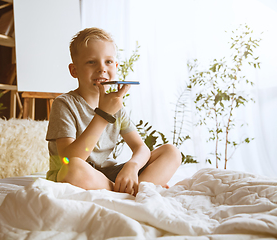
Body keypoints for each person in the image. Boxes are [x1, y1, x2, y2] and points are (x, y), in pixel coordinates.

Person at [46, 27, 181, 195]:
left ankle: (129, 187)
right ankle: (132, 190)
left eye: (108, 62)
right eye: (91, 62)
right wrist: (103, 115)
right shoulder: (64, 104)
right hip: (75, 173)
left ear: (116, 66)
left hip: (107, 175)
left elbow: (142, 148)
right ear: (74, 70)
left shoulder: (116, 106)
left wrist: (132, 166)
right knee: (72, 168)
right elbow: (67, 158)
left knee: (171, 152)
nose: (102, 68)